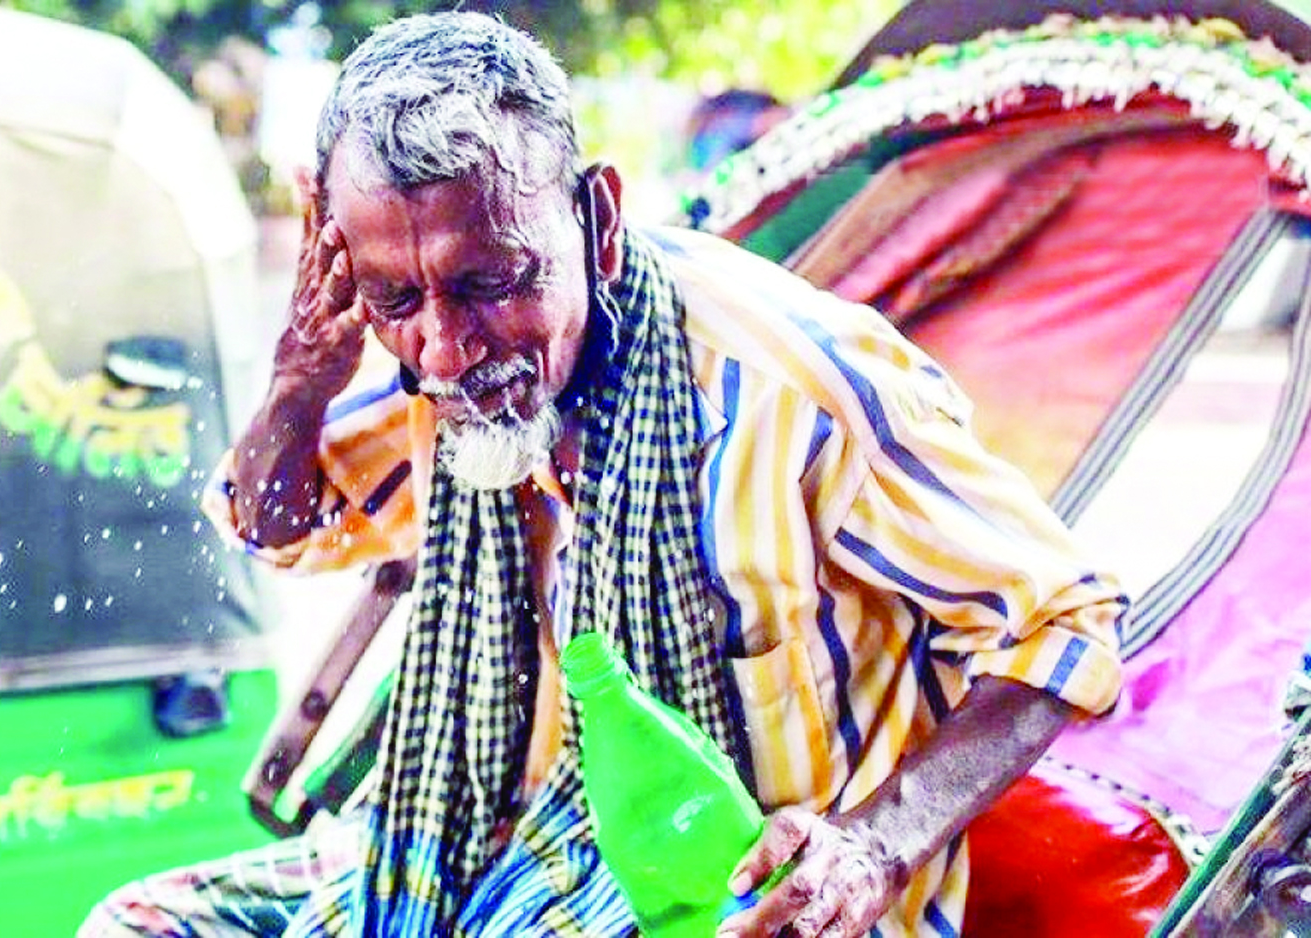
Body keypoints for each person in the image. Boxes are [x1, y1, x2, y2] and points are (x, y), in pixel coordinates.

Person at [83, 11, 1124, 938]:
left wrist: (868, 845)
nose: (445, 349)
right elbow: (280, 528)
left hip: (744, 892)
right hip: (491, 838)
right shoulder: (429, 372)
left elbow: (1061, 620)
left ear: (597, 220)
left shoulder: (794, 392)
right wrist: (302, 381)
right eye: (397, 296)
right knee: (134, 922)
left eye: (492, 281)